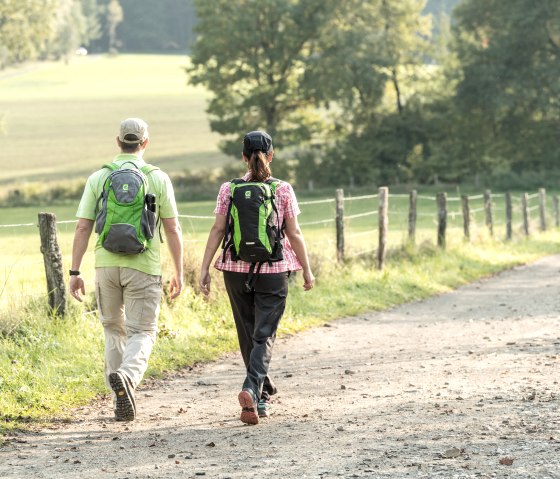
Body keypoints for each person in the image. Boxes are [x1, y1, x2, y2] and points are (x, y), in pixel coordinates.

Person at [69, 117, 183, 422]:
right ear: (145, 143)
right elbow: (172, 228)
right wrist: (179, 271)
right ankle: (128, 379)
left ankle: (118, 394)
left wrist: (74, 271)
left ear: (118, 142)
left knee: (112, 329)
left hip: (106, 265)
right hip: (144, 266)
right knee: (142, 331)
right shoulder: (158, 177)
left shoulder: (99, 177)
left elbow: (83, 226)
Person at [200, 130, 314, 425]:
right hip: (275, 270)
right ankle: (253, 389)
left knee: (247, 332)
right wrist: (307, 269)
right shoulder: (282, 189)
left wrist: (204, 268)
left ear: (243, 157)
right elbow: (294, 233)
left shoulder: (229, 189)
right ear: (271, 155)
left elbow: (217, 230)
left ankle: (261, 394)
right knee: (264, 334)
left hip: (235, 269)